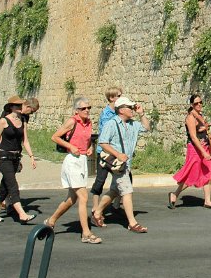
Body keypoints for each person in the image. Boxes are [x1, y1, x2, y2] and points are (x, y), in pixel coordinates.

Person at [93, 96, 152, 233]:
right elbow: (103, 142)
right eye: (130, 107)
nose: (132, 109)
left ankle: (97, 212)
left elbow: (146, 128)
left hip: (126, 164)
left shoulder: (133, 124)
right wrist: (118, 154)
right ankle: (132, 223)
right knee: (127, 191)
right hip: (118, 164)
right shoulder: (111, 124)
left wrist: (141, 114)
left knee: (114, 191)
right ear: (121, 110)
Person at [44, 97, 99, 243]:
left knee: (71, 199)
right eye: (83, 108)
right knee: (83, 196)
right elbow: (55, 137)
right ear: (76, 110)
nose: (87, 110)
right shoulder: (72, 121)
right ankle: (86, 233)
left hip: (82, 161)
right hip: (72, 161)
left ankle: (51, 220)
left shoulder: (89, 123)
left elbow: (87, 140)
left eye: (89, 108)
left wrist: (89, 147)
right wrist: (70, 146)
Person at [0, 96, 38, 223]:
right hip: (3, 156)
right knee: (13, 185)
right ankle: (22, 214)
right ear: (12, 107)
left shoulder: (23, 120)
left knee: (5, 185)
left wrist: (31, 157)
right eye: (18, 105)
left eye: (21, 105)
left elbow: (25, 140)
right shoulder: (3, 121)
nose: (20, 107)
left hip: (15, 157)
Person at [169, 93, 211, 211]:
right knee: (192, 174)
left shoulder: (199, 115)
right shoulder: (190, 117)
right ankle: (174, 194)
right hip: (195, 149)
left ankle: (207, 201)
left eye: (201, 102)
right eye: (196, 103)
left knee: (208, 171)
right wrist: (203, 152)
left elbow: (200, 130)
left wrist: (204, 127)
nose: (199, 104)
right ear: (192, 105)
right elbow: (194, 137)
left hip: (204, 146)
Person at [90, 86, 123, 223]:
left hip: (117, 152)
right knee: (100, 180)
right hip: (104, 152)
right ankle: (95, 207)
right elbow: (107, 133)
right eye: (119, 96)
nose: (121, 97)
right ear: (111, 98)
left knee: (124, 178)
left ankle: (116, 204)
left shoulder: (119, 112)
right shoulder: (106, 114)